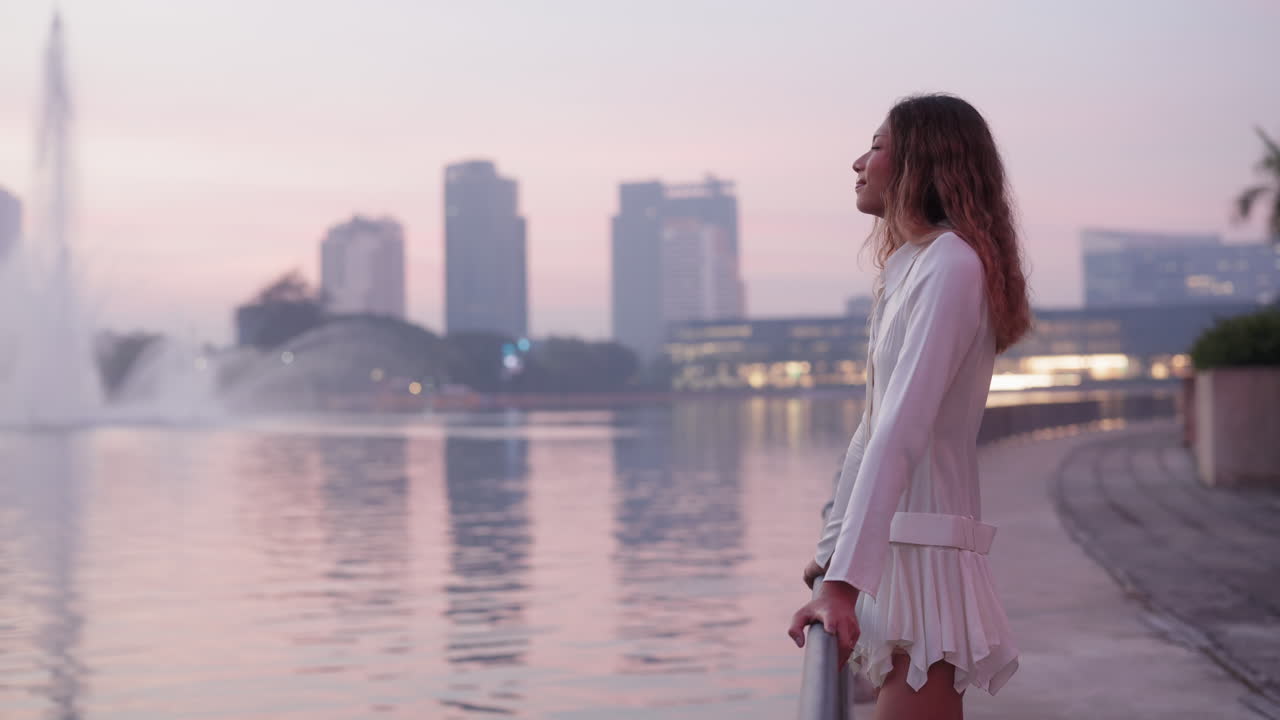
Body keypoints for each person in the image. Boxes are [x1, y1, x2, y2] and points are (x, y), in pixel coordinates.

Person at [787, 93, 1032, 719]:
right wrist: (834, 552)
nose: (857, 162)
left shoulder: (951, 264)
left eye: (875, 146)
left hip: (924, 549)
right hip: (899, 546)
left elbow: (902, 428)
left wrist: (840, 586)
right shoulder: (912, 266)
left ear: (919, 162)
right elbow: (872, 430)